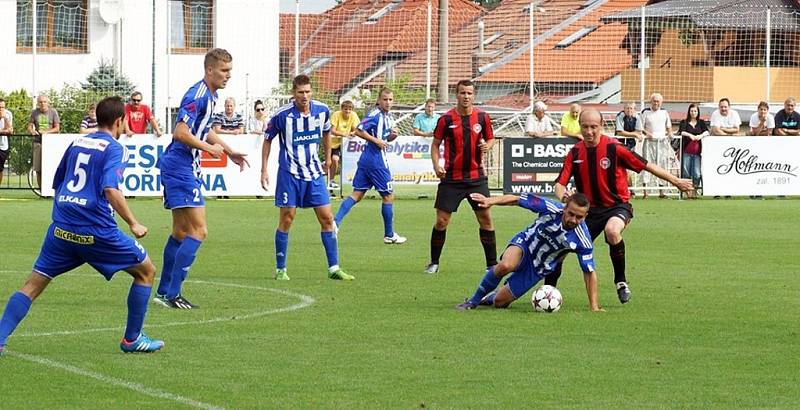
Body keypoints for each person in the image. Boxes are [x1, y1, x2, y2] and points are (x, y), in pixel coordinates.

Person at [0, 96, 164, 355]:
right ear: (120, 121)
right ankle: (132, 339)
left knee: (31, 286)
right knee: (146, 272)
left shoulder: (77, 142)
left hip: (61, 228)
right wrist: (134, 223)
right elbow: (111, 188)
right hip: (96, 231)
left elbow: (58, 182)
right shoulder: (114, 148)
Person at [545, 109, 693, 303]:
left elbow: (647, 165)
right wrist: (563, 195)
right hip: (589, 212)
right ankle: (548, 290)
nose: (589, 131)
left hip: (617, 206)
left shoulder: (614, 148)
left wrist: (676, 181)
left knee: (612, 231)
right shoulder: (575, 152)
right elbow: (559, 183)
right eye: (585, 127)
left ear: (601, 126)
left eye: (594, 127)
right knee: (561, 247)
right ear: (579, 126)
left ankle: (621, 281)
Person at [154, 48, 249, 309]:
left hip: (183, 166)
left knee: (181, 231)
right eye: (224, 71)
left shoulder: (211, 95)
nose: (229, 75)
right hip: (180, 166)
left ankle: (164, 293)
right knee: (199, 230)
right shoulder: (197, 95)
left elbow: (203, 130)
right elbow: (180, 133)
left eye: (230, 70)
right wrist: (210, 150)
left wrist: (229, 152)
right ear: (209, 70)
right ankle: (172, 294)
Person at [260, 74, 353, 281]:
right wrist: (264, 169)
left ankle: (334, 268)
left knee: (327, 218)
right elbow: (267, 140)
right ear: (294, 93)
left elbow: (328, 132)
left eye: (308, 92)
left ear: (312, 92)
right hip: (289, 173)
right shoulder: (282, 115)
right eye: (300, 92)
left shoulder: (322, 110)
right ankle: (280, 269)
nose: (305, 96)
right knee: (287, 219)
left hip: (314, 174)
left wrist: (327, 158)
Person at [454, 192, 601, 312]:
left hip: (538, 268)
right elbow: (518, 199)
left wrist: (594, 306)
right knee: (505, 265)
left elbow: (589, 271)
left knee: (500, 303)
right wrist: (490, 201)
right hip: (525, 244)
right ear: (564, 208)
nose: (573, 220)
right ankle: (473, 301)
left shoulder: (583, 239)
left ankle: (491, 296)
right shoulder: (549, 207)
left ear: (585, 216)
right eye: (571, 214)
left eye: (579, 217)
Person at [425, 79, 497, 274]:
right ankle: (434, 263)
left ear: (474, 96)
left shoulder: (483, 117)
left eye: (469, 93)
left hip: (476, 178)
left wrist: (488, 146)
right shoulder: (446, 119)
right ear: (456, 95)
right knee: (441, 221)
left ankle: (492, 265)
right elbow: (435, 144)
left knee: (486, 220)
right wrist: (436, 165)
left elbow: (491, 139)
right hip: (452, 179)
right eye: (462, 93)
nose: (466, 97)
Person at [334, 88, 407, 244]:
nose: (388, 102)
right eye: (385, 99)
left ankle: (335, 222)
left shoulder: (389, 117)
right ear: (379, 100)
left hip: (366, 159)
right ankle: (389, 234)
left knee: (357, 194)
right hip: (376, 161)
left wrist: (392, 136)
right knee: (388, 196)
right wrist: (377, 141)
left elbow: (386, 137)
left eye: (390, 99)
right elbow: (359, 130)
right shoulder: (375, 114)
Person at [640, 93, 674, 198]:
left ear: (661, 102)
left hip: (662, 142)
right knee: (646, 164)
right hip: (649, 142)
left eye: (658, 101)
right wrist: (646, 133)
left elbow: (669, 127)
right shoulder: (645, 112)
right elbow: (640, 127)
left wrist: (670, 133)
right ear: (651, 101)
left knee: (662, 165)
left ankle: (662, 192)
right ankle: (646, 192)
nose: (656, 103)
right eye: (654, 101)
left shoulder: (664, 112)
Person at [27, 94, 61, 189]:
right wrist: (32, 131)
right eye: (41, 102)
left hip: (51, 143)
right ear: (38, 103)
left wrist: (46, 132)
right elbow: (29, 126)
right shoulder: (34, 113)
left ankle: (51, 189)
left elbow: (57, 128)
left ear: (48, 102)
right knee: (38, 169)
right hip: (38, 142)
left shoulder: (53, 112)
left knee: (51, 168)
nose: (43, 104)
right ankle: (42, 190)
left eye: (44, 102)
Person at [678, 103, 709, 198]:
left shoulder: (701, 123)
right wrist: (690, 135)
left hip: (697, 153)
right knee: (686, 172)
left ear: (698, 112)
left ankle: (695, 190)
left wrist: (700, 136)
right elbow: (681, 131)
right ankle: (688, 191)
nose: (693, 112)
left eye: (695, 111)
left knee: (697, 173)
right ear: (689, 112)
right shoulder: (684, 122)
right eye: (691, 111)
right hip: (686, 151)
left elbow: (707, 131)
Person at [329, 100, 360, 189]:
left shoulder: (353, 116)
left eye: (350, 109)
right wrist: (345, 134)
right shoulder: (336, 115)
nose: (347, 111)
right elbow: (333, 130)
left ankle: (355, 183)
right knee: (334, 160)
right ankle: (331, 180)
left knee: (353, 162)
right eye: (345, 109)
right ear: (342, 109)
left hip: (346, 144)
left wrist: (353, 133)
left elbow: (356, 129)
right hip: (334, 143)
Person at [0, 99, 12, 187]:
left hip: (3, 145)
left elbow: (10, 130)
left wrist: (4, 118)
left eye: (3, 107)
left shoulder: (8, 114)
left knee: (0, 169)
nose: (1, 109)